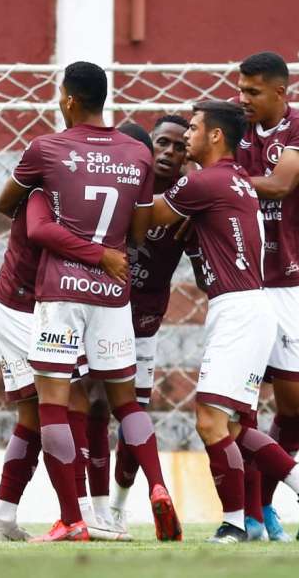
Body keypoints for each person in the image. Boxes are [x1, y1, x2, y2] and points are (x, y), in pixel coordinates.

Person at [0, 61, 181, 543]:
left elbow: (6, 204)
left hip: (61, 293)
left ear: (70, 99)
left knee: (55, 402)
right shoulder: (136, 154)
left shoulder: (46, 149)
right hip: (114, 293)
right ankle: (159, 487)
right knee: (126, 401)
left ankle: (71, 519)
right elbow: (139, 232)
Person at [147, 100, 299, 544]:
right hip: (246, 309)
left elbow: (147, 218)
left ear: (214, 136)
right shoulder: (232, 180)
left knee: (211, 423)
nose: (185, 137)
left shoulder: (205, 181)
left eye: (192, 129)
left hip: (238, 313)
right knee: (232, 428)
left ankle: (235, 524)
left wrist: (115, 182)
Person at [0, 180, 127, 541]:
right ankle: (79, 515)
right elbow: (39, 230)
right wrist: (100, 255)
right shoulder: (44, 191)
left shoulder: (75, 189)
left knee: (32, 416)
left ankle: (2, 519)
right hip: (23, 308)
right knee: (71, 397)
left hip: (21, 304)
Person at [77, 117, 197, 541]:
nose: (167, 151)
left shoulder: (190, 200)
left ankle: (117, 509)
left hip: (143, 320)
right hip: (100, 308)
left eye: (178, 146)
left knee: (128, 412)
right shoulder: (123, 184)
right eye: (161, 143)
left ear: (188, 155)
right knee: (102, 407)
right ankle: (103, 507)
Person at [235, 51, 299, 541]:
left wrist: (221, 185)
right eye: (240, 90)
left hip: (286, 281)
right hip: (240, 283)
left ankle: (265, 503)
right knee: (242, 405)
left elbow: (279, 184)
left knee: (294, 407)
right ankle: (250, 515)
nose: (243, 99)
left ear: (280, 92)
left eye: (253, 92)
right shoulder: (231, 126)